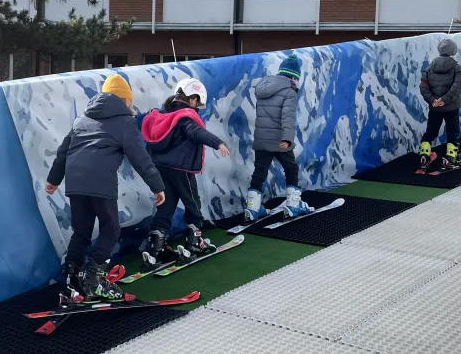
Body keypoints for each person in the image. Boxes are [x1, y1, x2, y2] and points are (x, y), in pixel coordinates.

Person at [45, 74, 165, 303]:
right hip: (100, 181)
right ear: (126, 101)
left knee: (82, 231)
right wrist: (157, 186)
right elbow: (140, 157)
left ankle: (72, 279)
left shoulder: (82, 119)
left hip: (75, 181)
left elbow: (63, 151)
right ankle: (94, 280)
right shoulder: (125, 122)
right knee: (111, 228)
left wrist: (54, 179)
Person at [140, 78, 230, 270]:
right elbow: (196, 132)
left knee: (167, 205)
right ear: (194, 100)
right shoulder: (185, 117)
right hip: (181, 170)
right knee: (192, 202)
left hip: (160, 169)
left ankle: (156, 248)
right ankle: (194, 241)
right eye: (198, 105)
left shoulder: (162, 114)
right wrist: (218, 143)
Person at [244, 54, 312, 221]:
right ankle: (293, 204)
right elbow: (287, 117)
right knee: (291, 168)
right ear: (293, 77)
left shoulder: (263, 88)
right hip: (279, 139)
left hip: (261, 139)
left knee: (259, 171)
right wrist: (287, 139)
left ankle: (252, 208)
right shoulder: (289, 91)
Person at [417, 39, 461, 170]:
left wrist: (433, 100)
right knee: (452, 131)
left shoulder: (429, 68)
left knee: (431, 130)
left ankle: (424, 154)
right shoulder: (457, 69)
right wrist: (444, 99)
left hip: (434, 108)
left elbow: (424, 87)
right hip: (452, 107)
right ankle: (451, 158)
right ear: (453, 52)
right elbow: (456, 88)